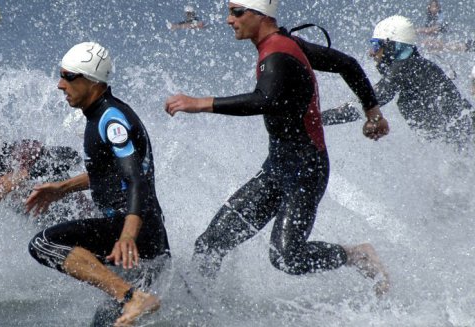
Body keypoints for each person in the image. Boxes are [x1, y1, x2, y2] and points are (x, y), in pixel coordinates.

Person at [164, 0, 390, 295]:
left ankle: (356, 255)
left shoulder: (278, 53)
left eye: (236, 12)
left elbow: (264, 99)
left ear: (260, 15)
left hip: (306, 172)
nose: (229, 20)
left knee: (286, 257)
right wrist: (373, 113)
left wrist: (201, 103)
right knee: (211, 243)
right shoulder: (286, 44)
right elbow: (347, 63)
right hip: (277, 169)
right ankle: (199, 309)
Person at [25, 42, 171, 326]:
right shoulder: (100, 114)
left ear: (91, 81)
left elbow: (135, 178)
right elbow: (109, 174)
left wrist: (127, 236)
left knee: (44, 243)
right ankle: (132, 297)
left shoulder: (111, 119)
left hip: (133, 234)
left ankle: (132, 297)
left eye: (68, 77)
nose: (59, 85)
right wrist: (62, 188)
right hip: (145, 237)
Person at [322, 16, 474, 149]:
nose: (371, 53)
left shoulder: (405, 68)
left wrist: (316, 118)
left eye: (375, 45)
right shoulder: (416, 66)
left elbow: (369, 102)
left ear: (390, 46)